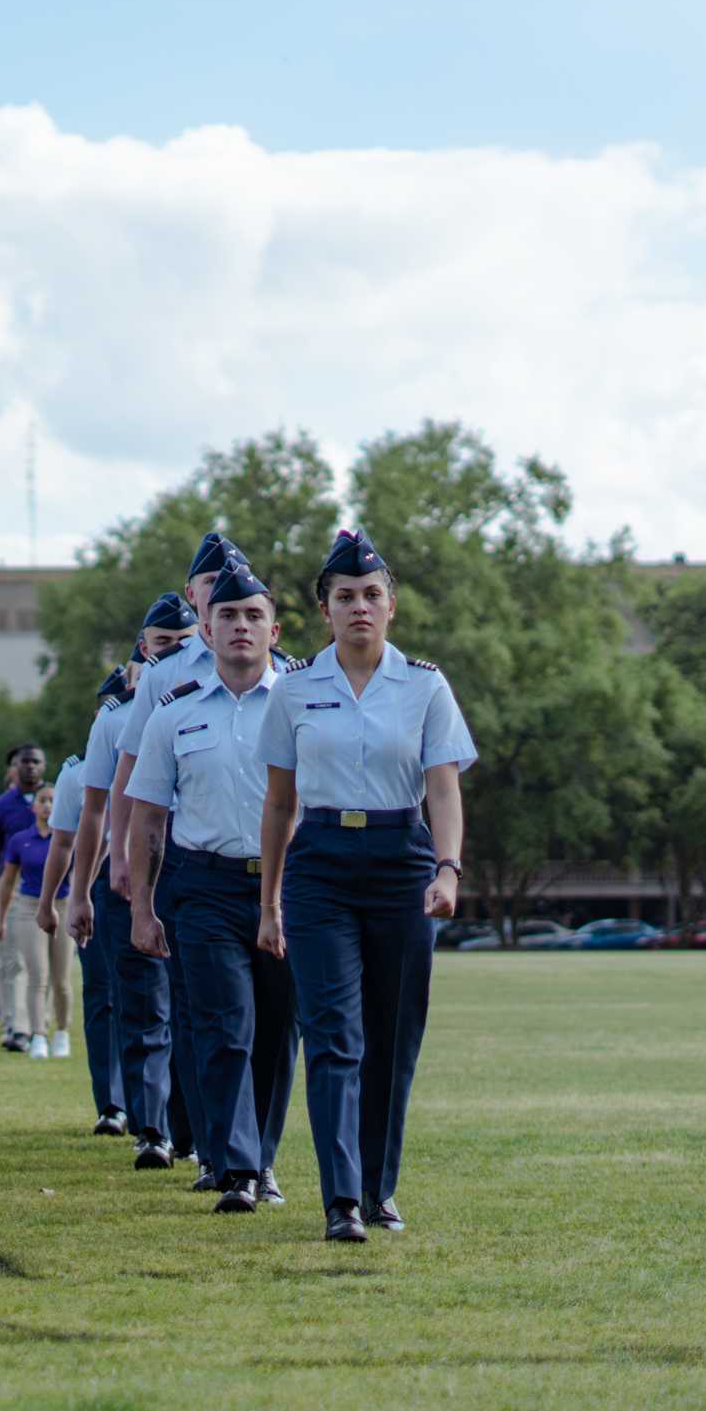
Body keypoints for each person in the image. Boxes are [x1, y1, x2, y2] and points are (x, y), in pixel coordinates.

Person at [256, 529, 476, 1242]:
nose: (359, 606)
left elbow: (442, 787)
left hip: (401, 860)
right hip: (319, 862)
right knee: (332, 1035)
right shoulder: (294, 689)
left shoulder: (424, 685)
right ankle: (341, 1197)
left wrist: (448, 868)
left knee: (392, 1034)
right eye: (345, 596)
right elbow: (280, 804)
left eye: (371, 595)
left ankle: (381, 1189)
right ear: (325, 609)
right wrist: (270, 902)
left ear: (391, 606)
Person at [125, 561, 294, 1213]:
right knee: (226, 1024)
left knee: (276, 1032)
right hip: (204, 887)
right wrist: (142, 904)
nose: (241, 626)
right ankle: (235, 1165)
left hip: (282, 887)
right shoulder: (175, 712)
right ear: (206, 627)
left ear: (274, 629)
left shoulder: (303, 705)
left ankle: (262, 1159)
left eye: (254, 615)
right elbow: (147, 813)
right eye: (228, 615)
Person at [68, 593, 202, 1169]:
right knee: (144, 1003)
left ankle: (193, 1128)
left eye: (182, 641)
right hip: (132, 870)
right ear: (141, 651)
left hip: (196, 864)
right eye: (161, 644)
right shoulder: (117, 718)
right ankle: (152, 1128)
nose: (172, 653)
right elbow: (93, 810)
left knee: (193, 1004)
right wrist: (84, 887)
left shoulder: (220, 700)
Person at [40, 748, 127, 1134]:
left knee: (163, 1001)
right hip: (97, 878)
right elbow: (62, 843)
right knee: (102, 994)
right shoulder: (77, 775)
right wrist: (51, 901)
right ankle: (111, 1103)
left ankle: (159, 1110)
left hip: (155, 870)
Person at [0, 743, 47, 1037]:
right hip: (11, 888)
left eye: (35, 761)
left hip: (50, 887)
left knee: (43, 963)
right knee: (12, 959)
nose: (29, 767)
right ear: (14, 768)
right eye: (23, 762)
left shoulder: (57, 799)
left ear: (43, 765)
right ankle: (16, 1024)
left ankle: (41, 1021)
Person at [0, 784, 72, 1060]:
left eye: (53, 800)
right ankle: (38, 1034)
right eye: (43, 800)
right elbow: (7, 882)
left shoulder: (67, 837)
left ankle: (62, 1032)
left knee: (60, 978)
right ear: (34, 806)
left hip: (63, 905)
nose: (48, 805)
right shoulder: (19, 840)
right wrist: (1, 918)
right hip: (29, 907)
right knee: (37, 974)